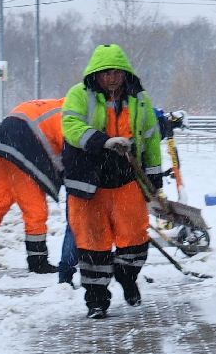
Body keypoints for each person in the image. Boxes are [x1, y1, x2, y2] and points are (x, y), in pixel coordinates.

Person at [60, 44, 164, 318]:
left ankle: (126, 275)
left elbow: (151, 138)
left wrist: (154, 180)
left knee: (136, 241)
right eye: (105, 73)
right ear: (95, 74)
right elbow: (71, 128)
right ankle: (96, 301)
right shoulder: (78, 95)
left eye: (116, 72)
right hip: (89, 183)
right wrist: (103, 141)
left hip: (127, 180)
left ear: (125, 72)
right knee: (93, 246)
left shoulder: (139, 99)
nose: (111, 78)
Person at [0, 99, 65, 279]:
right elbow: (67, 149)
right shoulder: (68, 113)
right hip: (22, 154)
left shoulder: (52, 106)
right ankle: (38, 262)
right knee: (36, 212)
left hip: (0, 150)